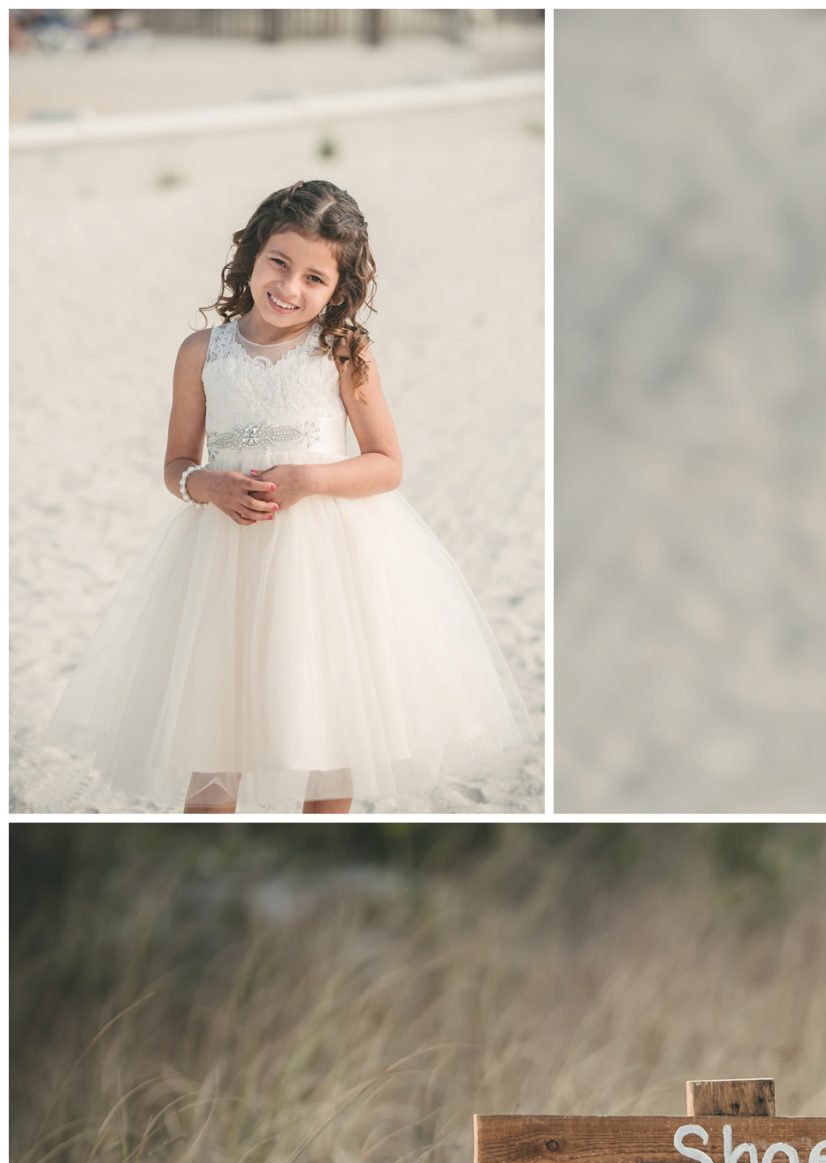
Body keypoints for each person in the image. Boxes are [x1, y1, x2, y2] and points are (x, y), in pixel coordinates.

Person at [50, 179, 532, 813]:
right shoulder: (202, 351)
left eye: (315, 278)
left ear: (339, 291)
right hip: (224, 564)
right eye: (279, 263)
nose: (290, 288)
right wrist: (205, 484)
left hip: (327, 566)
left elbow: (387, 464)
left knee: (328, 745)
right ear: (252, 254)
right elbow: (175, 464)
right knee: (214, 748)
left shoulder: (343, 352)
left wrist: (311, 479)